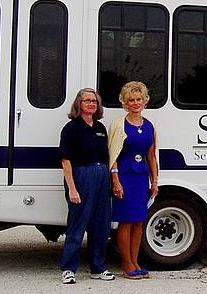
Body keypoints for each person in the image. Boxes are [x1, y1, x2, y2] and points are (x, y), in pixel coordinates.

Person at [58, 88, 115, 284]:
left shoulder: (100, 128)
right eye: (87, 101)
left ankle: (97, 268)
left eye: (94, 101)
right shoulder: (71, 128)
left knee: (101, 225)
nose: (91, 104)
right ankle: (68, 269)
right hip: (81, 176)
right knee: (77, 224)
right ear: (79, 104)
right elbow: (66, 161)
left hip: (101, 175)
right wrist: (72, 189)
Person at [109, 81, 159, 279]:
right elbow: (112, 154)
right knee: (126, 222)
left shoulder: (149, 125)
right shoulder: (119, 124)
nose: (136, 103)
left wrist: (154, 180)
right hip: (124, 176)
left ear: (144, 101)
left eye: (139, 99)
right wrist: (116, 181)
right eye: (131, 100)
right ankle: (126, 263)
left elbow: (152, 155)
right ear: (125, 102)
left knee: (139, 221)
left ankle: (136, 261)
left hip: (140, 177)